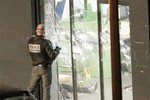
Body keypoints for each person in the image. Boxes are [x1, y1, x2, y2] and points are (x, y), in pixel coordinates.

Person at [26, 24, 61, 100]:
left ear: (36, 31)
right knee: (46, 89)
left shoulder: (30, 41)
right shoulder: (45, 42)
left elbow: (29, 53)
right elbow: (52, 56)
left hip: (35, 67)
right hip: (44, 68)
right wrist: (57, 50)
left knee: (30, 88)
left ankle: (25, 99)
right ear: (43, 32)